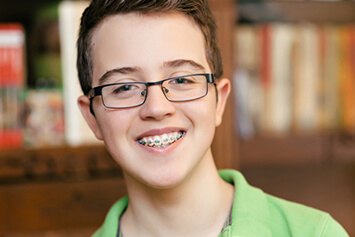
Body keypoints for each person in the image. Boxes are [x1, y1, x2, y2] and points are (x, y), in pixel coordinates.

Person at [76, 0, 349, 236]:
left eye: (182, 79)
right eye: (125, 87)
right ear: (92, 117)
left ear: (220, 101)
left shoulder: (315, 233)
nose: (157, 108)